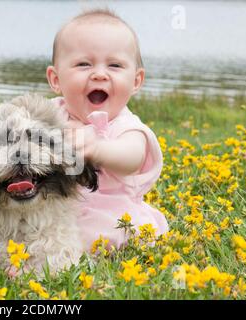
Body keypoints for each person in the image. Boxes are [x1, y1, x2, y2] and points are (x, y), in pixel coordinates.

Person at [46, 9, 169, 251]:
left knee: (96, 233)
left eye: (114, 65)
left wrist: (99, 149)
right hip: (55, 206)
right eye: (83, 64)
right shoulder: (51, 114)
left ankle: (53, 257)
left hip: (107, 212)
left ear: (136, 81)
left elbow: (131, 158)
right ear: (56, 79)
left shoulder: (127, 128)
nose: (99, 74)